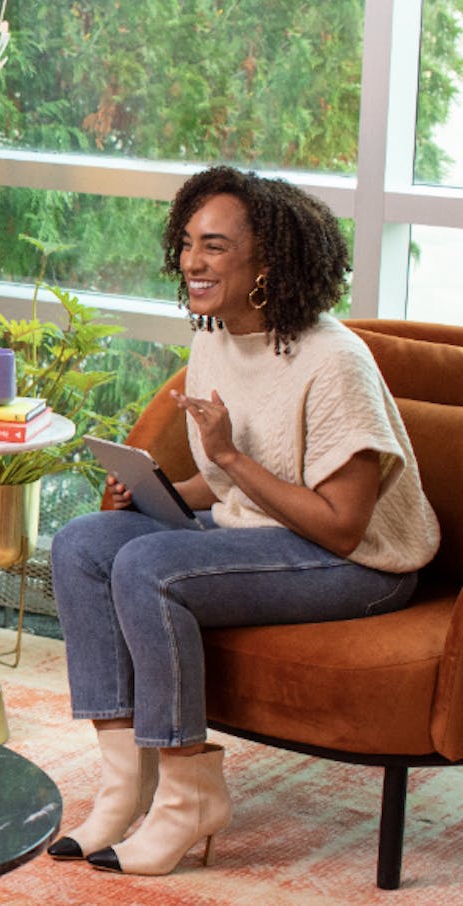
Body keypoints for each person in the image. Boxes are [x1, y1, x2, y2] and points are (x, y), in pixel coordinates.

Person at [48, 166, 438, 876]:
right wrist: (156, 492)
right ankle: (124, 785)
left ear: (268, 263)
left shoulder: (333, 361)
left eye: (216, 246)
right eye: (187, 243)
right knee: (82, 544)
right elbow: (227, 487)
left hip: (359, 566)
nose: (192, 262)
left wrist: (228, 452)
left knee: (148, 568)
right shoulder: (217, 338)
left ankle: (188, 796)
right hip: (260, 537)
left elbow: (343, 525)